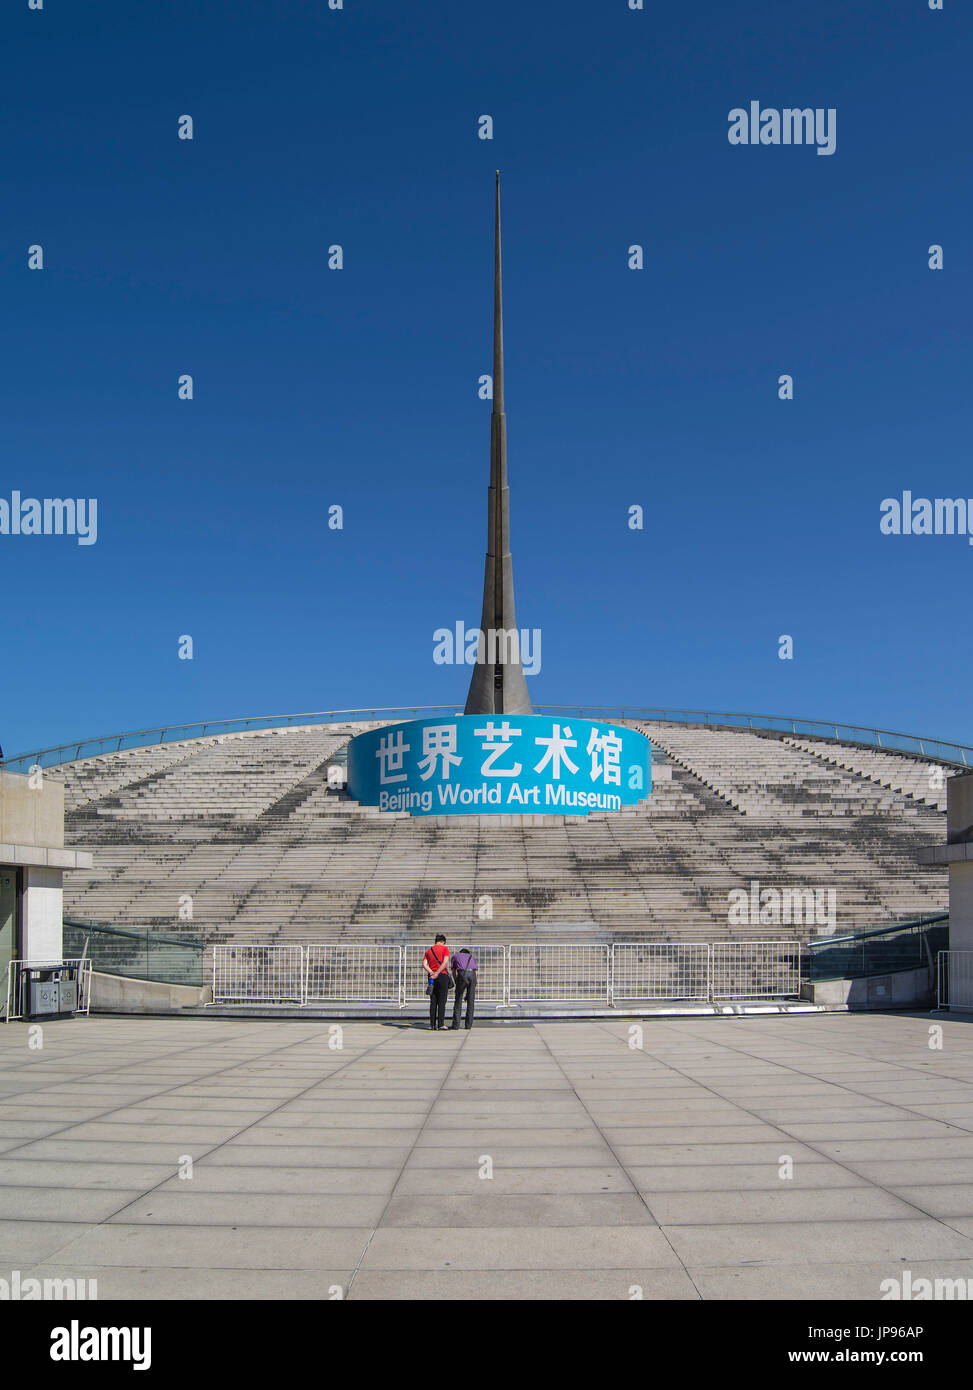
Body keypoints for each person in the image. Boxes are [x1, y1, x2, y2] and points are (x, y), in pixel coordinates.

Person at [423, 934, 450, 1031]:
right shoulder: (444, 949)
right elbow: (445, 962)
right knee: (442, 1001)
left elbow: (424, 964)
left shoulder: (428, 951)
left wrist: (431, 972)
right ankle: (441, 1024)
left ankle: (432, 1024)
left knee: (433, 1001)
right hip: (442, 975)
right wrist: (437, 972)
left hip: (431, 977)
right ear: (443, 942)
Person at [449, 945, 478, 1030]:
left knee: (458, 999)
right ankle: (468, 1024)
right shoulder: (471, 957)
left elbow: (453, 970)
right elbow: (476, 971)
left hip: (462, 974)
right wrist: (475, 982)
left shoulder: (455, 956)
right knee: (470, 1000)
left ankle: (456, 1024)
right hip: (472, 975)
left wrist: (456, 980)